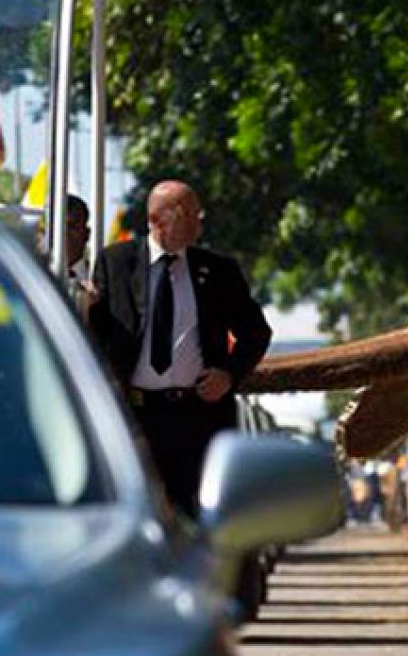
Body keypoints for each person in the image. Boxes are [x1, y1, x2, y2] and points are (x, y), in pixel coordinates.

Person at [89, 179, 271, 518]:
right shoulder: (116, 263)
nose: (200, 222)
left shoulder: (218, 271)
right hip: (135, 418)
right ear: (158, 221)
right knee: (140, 515)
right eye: (191, 215)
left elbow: (256, 332)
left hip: (198, 418)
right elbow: (95, 336)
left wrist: (229, 374)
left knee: (198, 519)